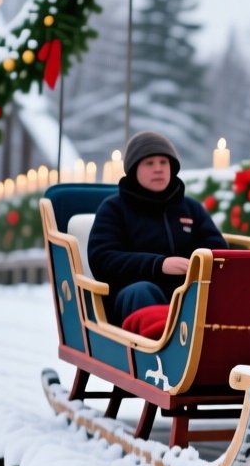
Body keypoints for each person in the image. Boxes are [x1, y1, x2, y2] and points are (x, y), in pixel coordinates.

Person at [88, 131, 226, 327]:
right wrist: (158, 265)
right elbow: (103, 259)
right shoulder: (114, 208)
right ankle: (158, 353)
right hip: (133, 296)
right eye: (149, 163)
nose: (158, 169)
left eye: (164, 162)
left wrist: (197, 264)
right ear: (134, 169)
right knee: (142, 291)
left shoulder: (191, 208)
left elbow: (217, 247)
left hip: (187, 292)